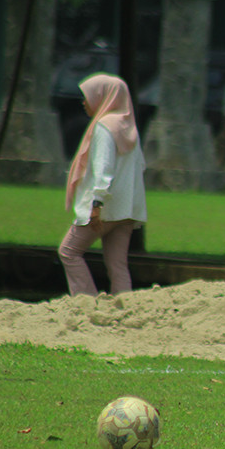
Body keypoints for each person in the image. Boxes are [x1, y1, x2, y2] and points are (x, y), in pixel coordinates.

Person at [58, 73, 147, 296]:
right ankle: (125, 307)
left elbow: (103, 168)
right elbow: (140, 167)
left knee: (69, 252)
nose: (84, 102)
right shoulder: (130, 128)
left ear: (102, 97)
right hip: (127, 209)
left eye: (88, 96)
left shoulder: (104, 127)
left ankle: (85, 300)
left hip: (104, 208)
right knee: (117, 265)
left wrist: (96, 205)